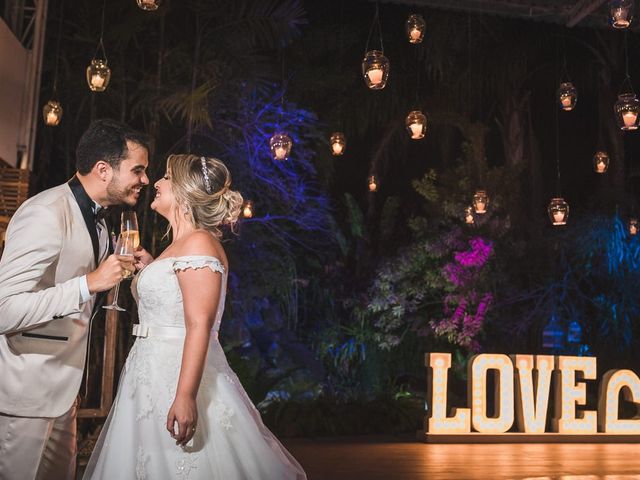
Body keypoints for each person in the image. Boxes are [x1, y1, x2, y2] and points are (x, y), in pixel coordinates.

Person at [83, 154, 306, 479]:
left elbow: (200, 324)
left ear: (185, 192)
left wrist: (186, 396)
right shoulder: (180, 244)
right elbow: (174, 296)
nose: (155, 184)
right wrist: (151, 266)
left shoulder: (199, 241)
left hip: (175, 376)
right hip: (149, 373)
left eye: (166, 178)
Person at [0, 119, 151, 480]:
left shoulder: (100, 224)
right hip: (26, 396)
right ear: (103, 169)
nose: (145, 180)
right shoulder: (45, 212)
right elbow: (4, 310)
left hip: (64, 394)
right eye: (138, 170)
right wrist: (88, 284)